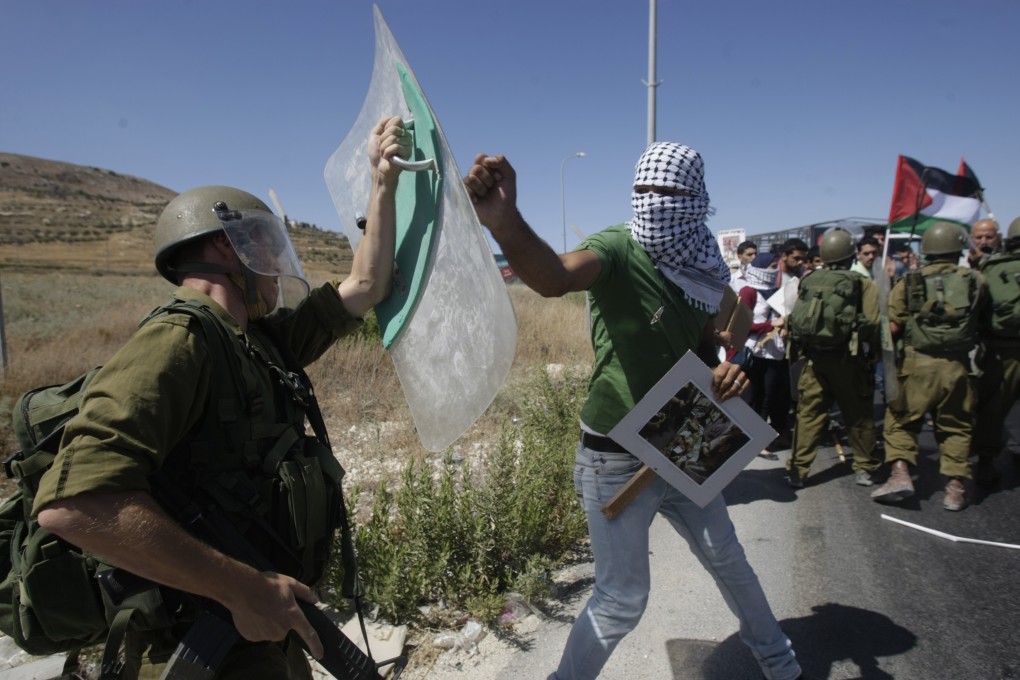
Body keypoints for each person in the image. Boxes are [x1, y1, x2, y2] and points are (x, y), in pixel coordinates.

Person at [32, 116, 411, 678]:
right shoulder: (177, 339)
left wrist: (384, 183)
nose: (277, 267)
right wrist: (243, 588)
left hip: (263, 629)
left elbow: (366, 285)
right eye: (263, 243)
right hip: (204, 642)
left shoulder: (258, 341)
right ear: (223, 248)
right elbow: (74, 505)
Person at [465, 142, 802, 680]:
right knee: (622, 598)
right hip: (616, 458)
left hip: (686, 434)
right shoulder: (619, 248)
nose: (651, 202)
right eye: (641, 190)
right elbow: (554, 277)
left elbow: (727, 323)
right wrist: (504, 224)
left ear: (693, 199)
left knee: (729, 560)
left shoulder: (701, 260)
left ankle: (783, 666)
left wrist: (730, 362)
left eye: (664, 191)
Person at [870, 221, 987, 511]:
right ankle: (955, 488)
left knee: (900, 420)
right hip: (958, 366)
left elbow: (893, 326)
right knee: (956, 426)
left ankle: (900, 474)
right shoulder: (975, 281)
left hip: (917, 363)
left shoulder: (910, 282)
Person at [786, 228, 881, 488]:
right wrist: (873, 354)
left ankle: (798, 471)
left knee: (809, 416)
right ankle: (864, 467)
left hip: (814, 361)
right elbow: (872, 324)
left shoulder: (809, 280)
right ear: (852, 256)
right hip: (848, 361)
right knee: (858, 414)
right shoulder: (862, 283)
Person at [740, 239, 807, 455]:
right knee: (752, 398)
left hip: (775, 352)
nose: (773, 271)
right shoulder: (749, 291)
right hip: (755, 351)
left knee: (768, 398)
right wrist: (771, 324)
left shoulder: (775, 290)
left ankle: (760, 441)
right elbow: (742, 325)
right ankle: (749, 441)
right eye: (770, 267)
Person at [971, 217, 1020, 487]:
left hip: (1000, 351)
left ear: (1003, 238)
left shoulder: (990, 269)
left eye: (988, 237)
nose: (984, 242)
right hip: (1000, 348)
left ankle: (986, 462)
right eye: (979, 237)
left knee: (991, 407)